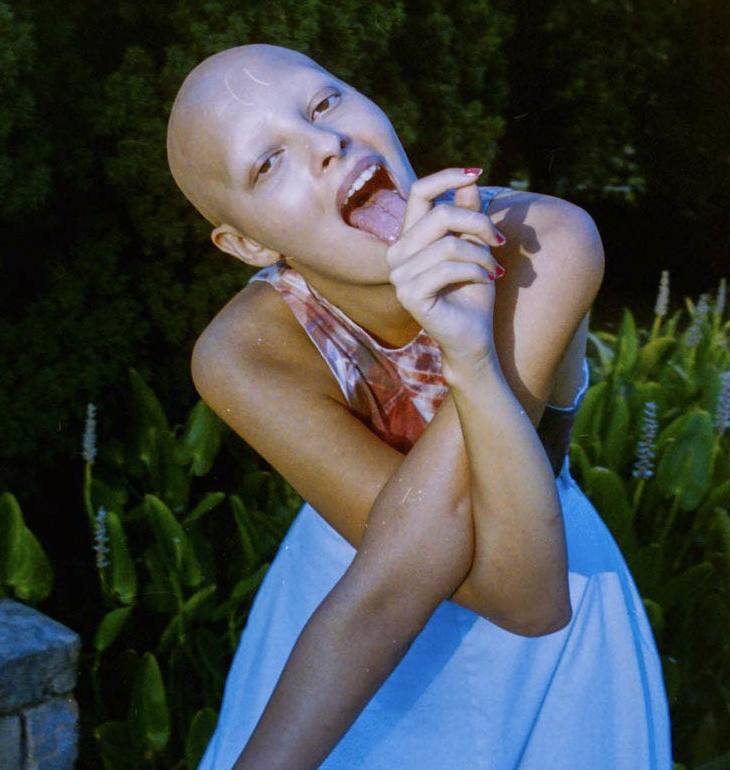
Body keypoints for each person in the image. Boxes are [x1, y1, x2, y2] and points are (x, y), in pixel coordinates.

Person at [167, 43, 671, 769]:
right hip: (348, 609)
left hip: (540, 602)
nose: (326, 143)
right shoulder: (243, 354)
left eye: (325, 102)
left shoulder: (542, 243)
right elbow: (393, 580)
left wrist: (472, 361)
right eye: (268, 162)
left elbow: (527, 601)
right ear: (244, 243)